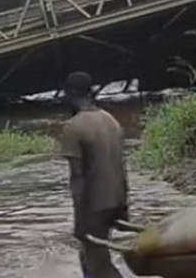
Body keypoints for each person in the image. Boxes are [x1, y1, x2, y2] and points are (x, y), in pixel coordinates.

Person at [59, 71, 128, 278]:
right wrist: (124, 205)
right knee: (88, 257)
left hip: (94, 206)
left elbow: (77, 178)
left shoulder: (74, 127)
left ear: (70, 93)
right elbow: (121, 166)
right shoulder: (111, 120)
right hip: (116, 199)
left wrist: (80, 220)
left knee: (100, 265)